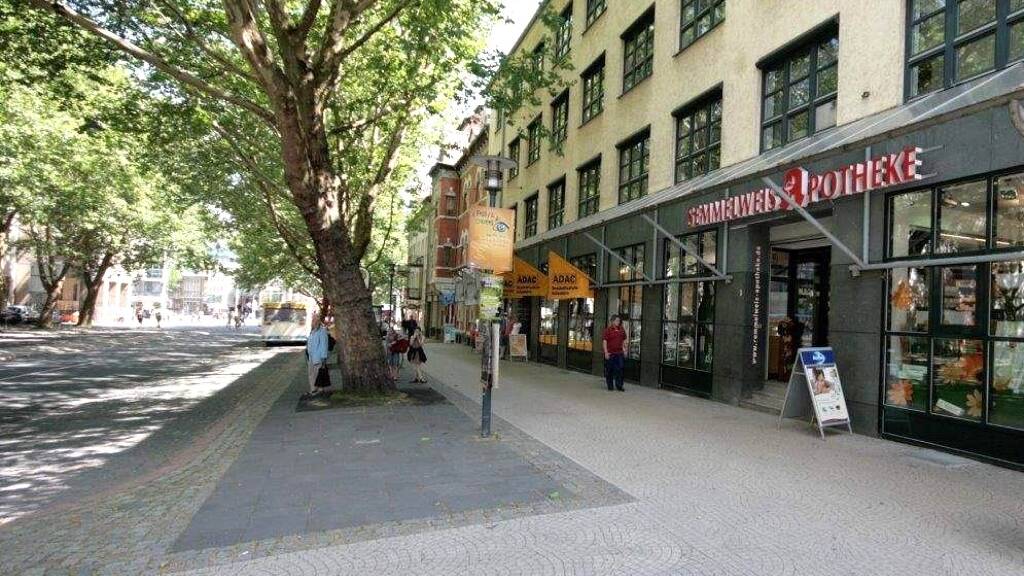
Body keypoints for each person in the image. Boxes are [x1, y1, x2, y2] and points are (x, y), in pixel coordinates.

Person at [304, 313, 330, 398]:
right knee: (311, 374)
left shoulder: (322, 331)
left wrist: (323, 358)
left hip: (318, 357)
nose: (313, 321)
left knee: (318, 374)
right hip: (311, 357)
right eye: (313, 320)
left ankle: (319, 390)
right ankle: (313, 389)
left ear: (319, 321)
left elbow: (324, 345)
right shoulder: (312, 331)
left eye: (315, 319)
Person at [602, 314, 627, 392]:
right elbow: (605, 341)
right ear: (612, 321)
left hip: (619, 353)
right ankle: (610, 386)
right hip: (610, 353)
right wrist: (606, 352)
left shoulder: (622, 330)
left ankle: (619, 385)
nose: (618, 322)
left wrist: (625, 349)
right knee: (609, 370)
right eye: (616, 321)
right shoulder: (608, 330)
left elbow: (624, 340)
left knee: (620, 369)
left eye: (619, 321)